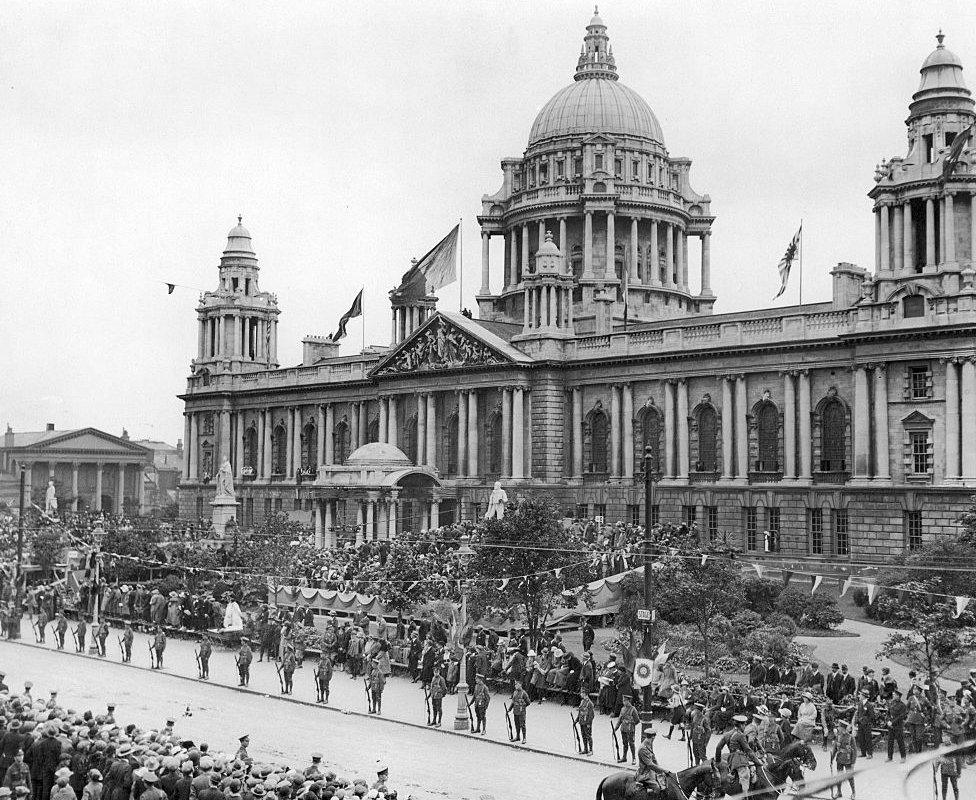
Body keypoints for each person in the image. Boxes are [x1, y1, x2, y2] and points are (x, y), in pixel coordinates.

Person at [634, 728, 670, 794]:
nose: (654, 738)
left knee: (664, 782)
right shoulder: (643, 748)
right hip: (645, 774)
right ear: (653, 737)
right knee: (657, 787)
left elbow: (653, 758)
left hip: (651, 771)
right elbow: (650, 764)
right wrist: (663, 770)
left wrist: (660, 769)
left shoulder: (649, 743)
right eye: (654, 736)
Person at [830, 719, 857, 799]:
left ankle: (853, 792)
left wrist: (853, 762)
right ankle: (839, 792)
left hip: (848, 760)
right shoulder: (838, 736)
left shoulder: (850, 737)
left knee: (850, 777)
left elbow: (854, 751)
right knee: (839, 776)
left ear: (843, 728)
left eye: (839, 727)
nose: (838, 728)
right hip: (839, 759)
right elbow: (835, 748)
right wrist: (831, 759)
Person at [614, 695, 641, 765]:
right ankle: (624, 757)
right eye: (623, 700)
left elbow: (637, 720)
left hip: (630, 729)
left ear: (628, 701)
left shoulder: (633, 709)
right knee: (624, 743)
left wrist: (630, 724)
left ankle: (634, 758)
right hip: (623, 729)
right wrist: (615, 729)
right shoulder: (622, 709)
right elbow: (619, 720)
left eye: (625, 700)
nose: (623, 702)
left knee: (631, 744)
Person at [886, 688, 908, 763]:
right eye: (893, 695)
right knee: (890, 742)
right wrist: (888, 721)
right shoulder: (891, 703)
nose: (893, 696)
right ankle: (889, 757)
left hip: (898, 726)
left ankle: (903, 757)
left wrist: (892, 722)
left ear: (898, 696)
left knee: (900, 741)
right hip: (891, 726)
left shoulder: (902, 705)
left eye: (894, 695)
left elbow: (901, 716)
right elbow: (888, 713)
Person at [938, 735, 961, 800]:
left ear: (949, 739)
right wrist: (935, 767)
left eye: (947, 739)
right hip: (944, 771)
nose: (945, 741)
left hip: (953, 771)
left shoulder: (954, 747)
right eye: (944, 739)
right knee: (944, 787)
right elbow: (939, 758)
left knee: (955, 787)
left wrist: (959, 772)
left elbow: (958, 760)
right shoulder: (941, 746)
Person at [576, 689, 595, 754]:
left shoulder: (589, 703)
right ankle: (585, 749)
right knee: (583, 735)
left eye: (581, 693)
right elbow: (580, 712)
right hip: (582, 721)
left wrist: (589, 723)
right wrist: (576, 720)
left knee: (588, 736)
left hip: (586, 722)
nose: (580, 694)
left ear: (585, 693)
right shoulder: (582, 701)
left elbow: (591, 715)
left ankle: (591, 750)